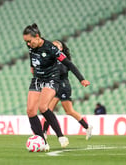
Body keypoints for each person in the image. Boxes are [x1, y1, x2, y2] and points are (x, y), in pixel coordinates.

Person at [23, 23, 90, 151]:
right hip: (37, 79)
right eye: (26, 42)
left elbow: (69, 63)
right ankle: (42, 141)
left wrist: (81, 79)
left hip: (51, 79)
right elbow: (32, 59)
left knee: (43, 107)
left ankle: (60, 136)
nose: (28, 44)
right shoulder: (31, 47)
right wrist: (33, 68)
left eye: (29, 41)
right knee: (30, 111)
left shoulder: (51, 48)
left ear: (37, 37)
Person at [42, 40, 93, 140]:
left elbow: (71, 69)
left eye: (56, 46)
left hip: (63, 86)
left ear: (61, 49)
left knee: (69, 111)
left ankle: (87, 127)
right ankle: (44, 132)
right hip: (54, 86)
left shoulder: (63, 59)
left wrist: (81, 79)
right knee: (48, 110)